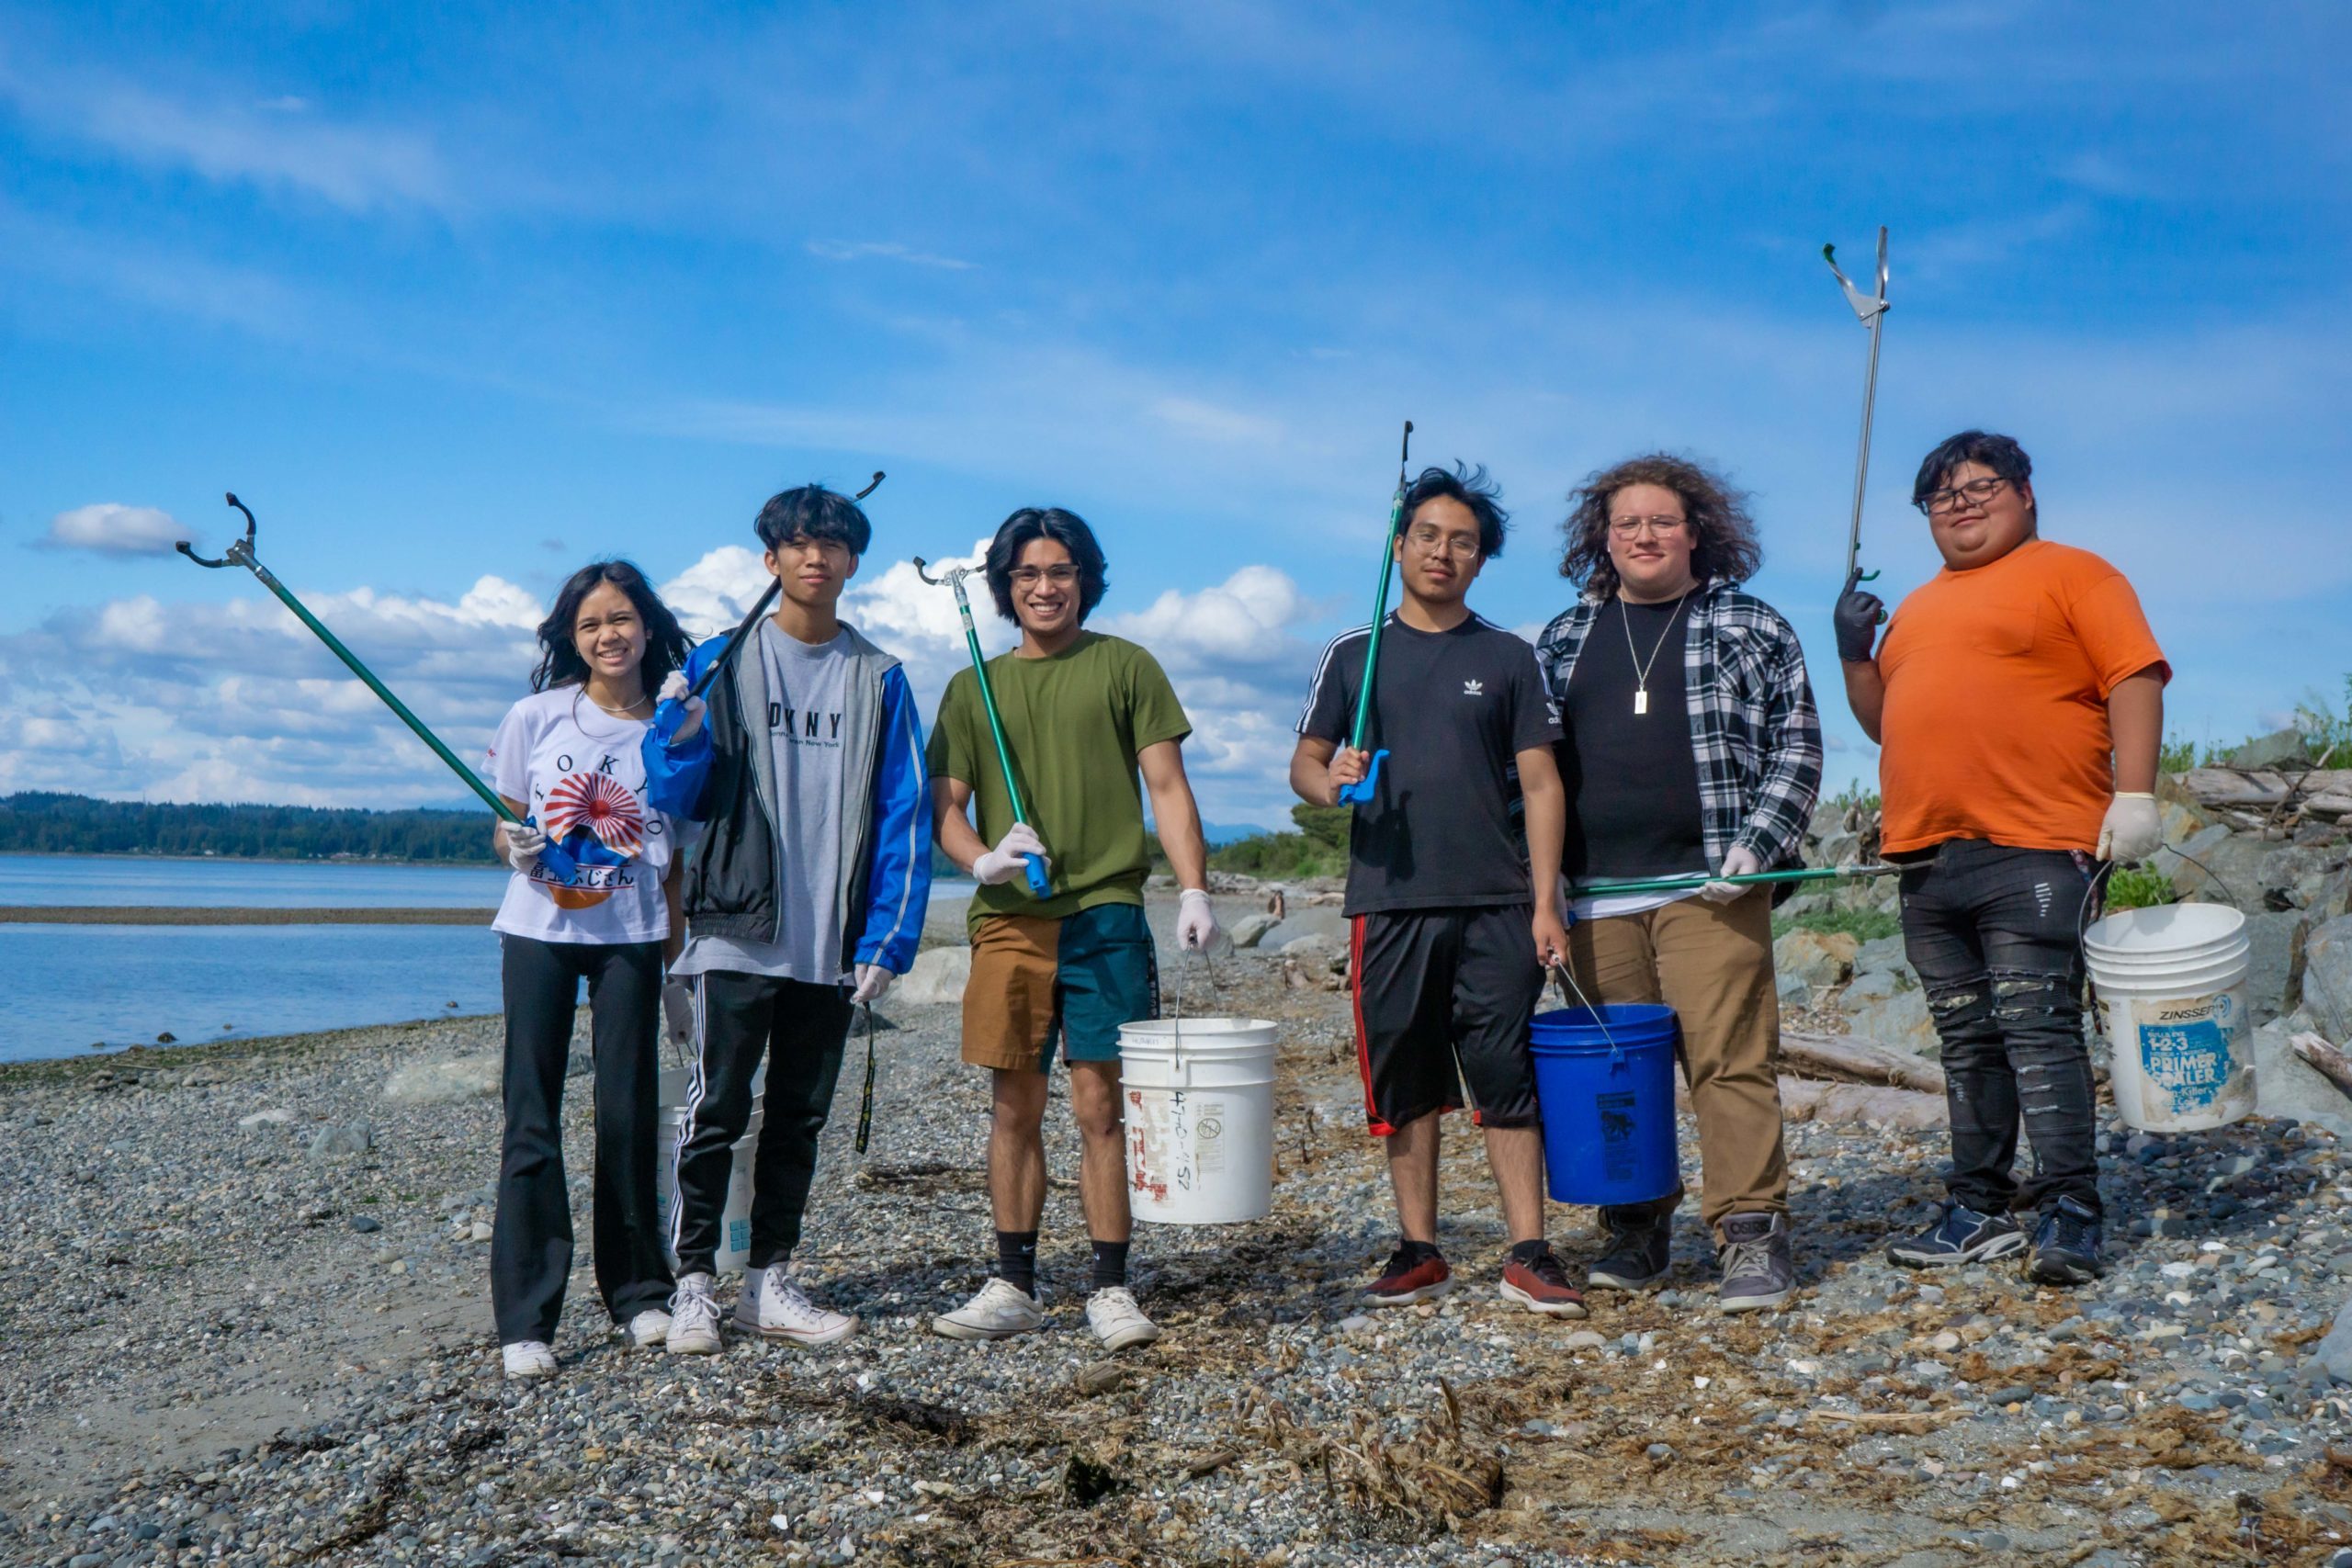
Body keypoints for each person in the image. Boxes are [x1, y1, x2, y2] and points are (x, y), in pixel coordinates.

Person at [1836, 431, 2166, 1285]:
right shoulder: (1914, 606)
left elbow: (2134, 673)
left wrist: (2135, 795)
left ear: (2026, 492)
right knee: (1967, 1040)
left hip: (2037, 846)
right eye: (1942, 497)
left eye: (1981, 486)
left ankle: (2071, 1211)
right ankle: (1977, 1207)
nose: (1962, 504)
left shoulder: (2075, 572)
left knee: (2038, 1029)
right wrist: (1852, 652)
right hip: (1925, 857)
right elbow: (1885, 722)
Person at [641, 482, 933, 1352]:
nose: (816, 557)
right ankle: (695, 1281)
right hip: (736, 927)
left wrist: (888, 939)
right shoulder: (719, 662)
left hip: (831, 941)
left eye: (832, 545)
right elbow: (670, 795)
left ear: (851, 563)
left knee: (801, 1115)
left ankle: (770, 1279)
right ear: (770, 560)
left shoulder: (881, 678)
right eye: (798, 544)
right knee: (716, 1108)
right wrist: (680, 733)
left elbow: (904, 816)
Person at [1291, 465, 1582, 1318]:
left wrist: (1545, 901)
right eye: (1428, 536)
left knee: (1508, 1074)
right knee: (1407, 1082)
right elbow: (1305, 767)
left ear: (1480, 559)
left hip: (1496, 898)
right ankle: (1421, 1248)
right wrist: (1332, 779)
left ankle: (1528, 1248)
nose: (1443, 553)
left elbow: (1542, 784)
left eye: (1462, 541)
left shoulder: (1507, 657)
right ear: (1399, 546)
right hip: (1388, 901)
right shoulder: (1354, 654)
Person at [925, 507, 1219, 1352]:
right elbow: (944, 807)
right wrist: (981, 859)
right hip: (1010, 921)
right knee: (1013, 1103)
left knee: (1101, 1106)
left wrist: (1194, 887)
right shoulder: (971, 685)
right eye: (1027, 575)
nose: (1045, 587)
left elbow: (1166, 787)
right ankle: (1013, 1282)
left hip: (1107, 914)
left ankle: (1109, 1287)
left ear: (1084, 578)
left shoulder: (1126, 666)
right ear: (1005, 587)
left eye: (1060, 571)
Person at [1534, 455, 1822, 1313]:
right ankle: (1636, 1228)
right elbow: (1527, 773)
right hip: (1595, 899)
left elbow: (1797, 748)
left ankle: (1750, 1234)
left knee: (1728, 1061)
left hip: (1712, 890)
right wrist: (1540, 887)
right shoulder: (1560, 639)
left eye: (1662, 521)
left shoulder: (1751, 624)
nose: (1645, 535)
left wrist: (1757, 849)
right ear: (1604, 538)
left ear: (1698, 531)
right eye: (1627, 523)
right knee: (1620, 1073)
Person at [486, 560, 695, 1379]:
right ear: (571, 639)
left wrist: (676, 969)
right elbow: (503, 827)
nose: (609, 635)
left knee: (628, 1112)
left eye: (621, 619)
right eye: (590, 625)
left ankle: (640, 1292)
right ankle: (526, 1319)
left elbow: (674, 858)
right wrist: (518, 842)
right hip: (538, 930)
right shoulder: (537, 715)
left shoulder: (675, 726)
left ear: (646, 626)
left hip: (632, 936)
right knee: (530, 1118)